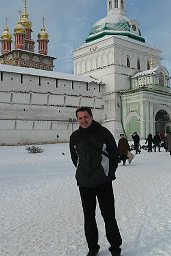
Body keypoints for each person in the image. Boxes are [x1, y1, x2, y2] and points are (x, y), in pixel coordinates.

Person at [69, 107, 122, 256]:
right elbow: (75, 158)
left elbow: (114, 155)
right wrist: (82, 172)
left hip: (102, 182)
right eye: (80, 118)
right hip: (84, 184)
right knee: (89, 217)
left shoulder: (103, 133)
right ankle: (93, 247)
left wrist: (107, 172)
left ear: (91, 117)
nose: (83, 120)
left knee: (108, 215)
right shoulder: (75, 137)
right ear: (77, 120)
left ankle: (115, 247)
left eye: (86, 117)